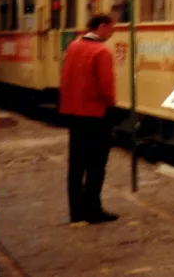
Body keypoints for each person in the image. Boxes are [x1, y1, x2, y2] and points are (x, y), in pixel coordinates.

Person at [59, 13, 119, 223]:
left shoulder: (73, 46)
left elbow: (65, 78)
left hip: (74, 114)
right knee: (96, 165)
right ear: (102, 26)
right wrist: (112, 105)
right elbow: (105, 87)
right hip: (96, 114)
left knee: (76, 165)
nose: (112, 33)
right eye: (111, 28)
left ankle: (76, 212)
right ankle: (93, 209)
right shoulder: (102, 51)